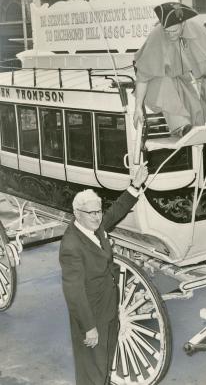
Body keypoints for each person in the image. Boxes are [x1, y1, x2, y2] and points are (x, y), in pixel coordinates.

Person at [59, 163, 148, 385]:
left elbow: (115, 211)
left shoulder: (94, 227)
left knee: (104, 365)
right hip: (91, 316)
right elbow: (74, 293)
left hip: (108, 310)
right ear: (77, 214)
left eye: (99, 211)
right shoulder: (71, 245)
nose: (98, 217)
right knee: (92, 372)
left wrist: (135, 185)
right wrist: (89, 328)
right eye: (92, 213)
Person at [133, 1, 206, 137]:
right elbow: (143, 75)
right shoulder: (157, 35)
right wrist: (137, 107)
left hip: (198, 80)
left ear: (183, 24)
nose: (170, 35)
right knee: (161, 81)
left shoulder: (196, 28)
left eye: (174, 31)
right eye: (166, 32)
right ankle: (182, 126)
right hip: (174, 83)